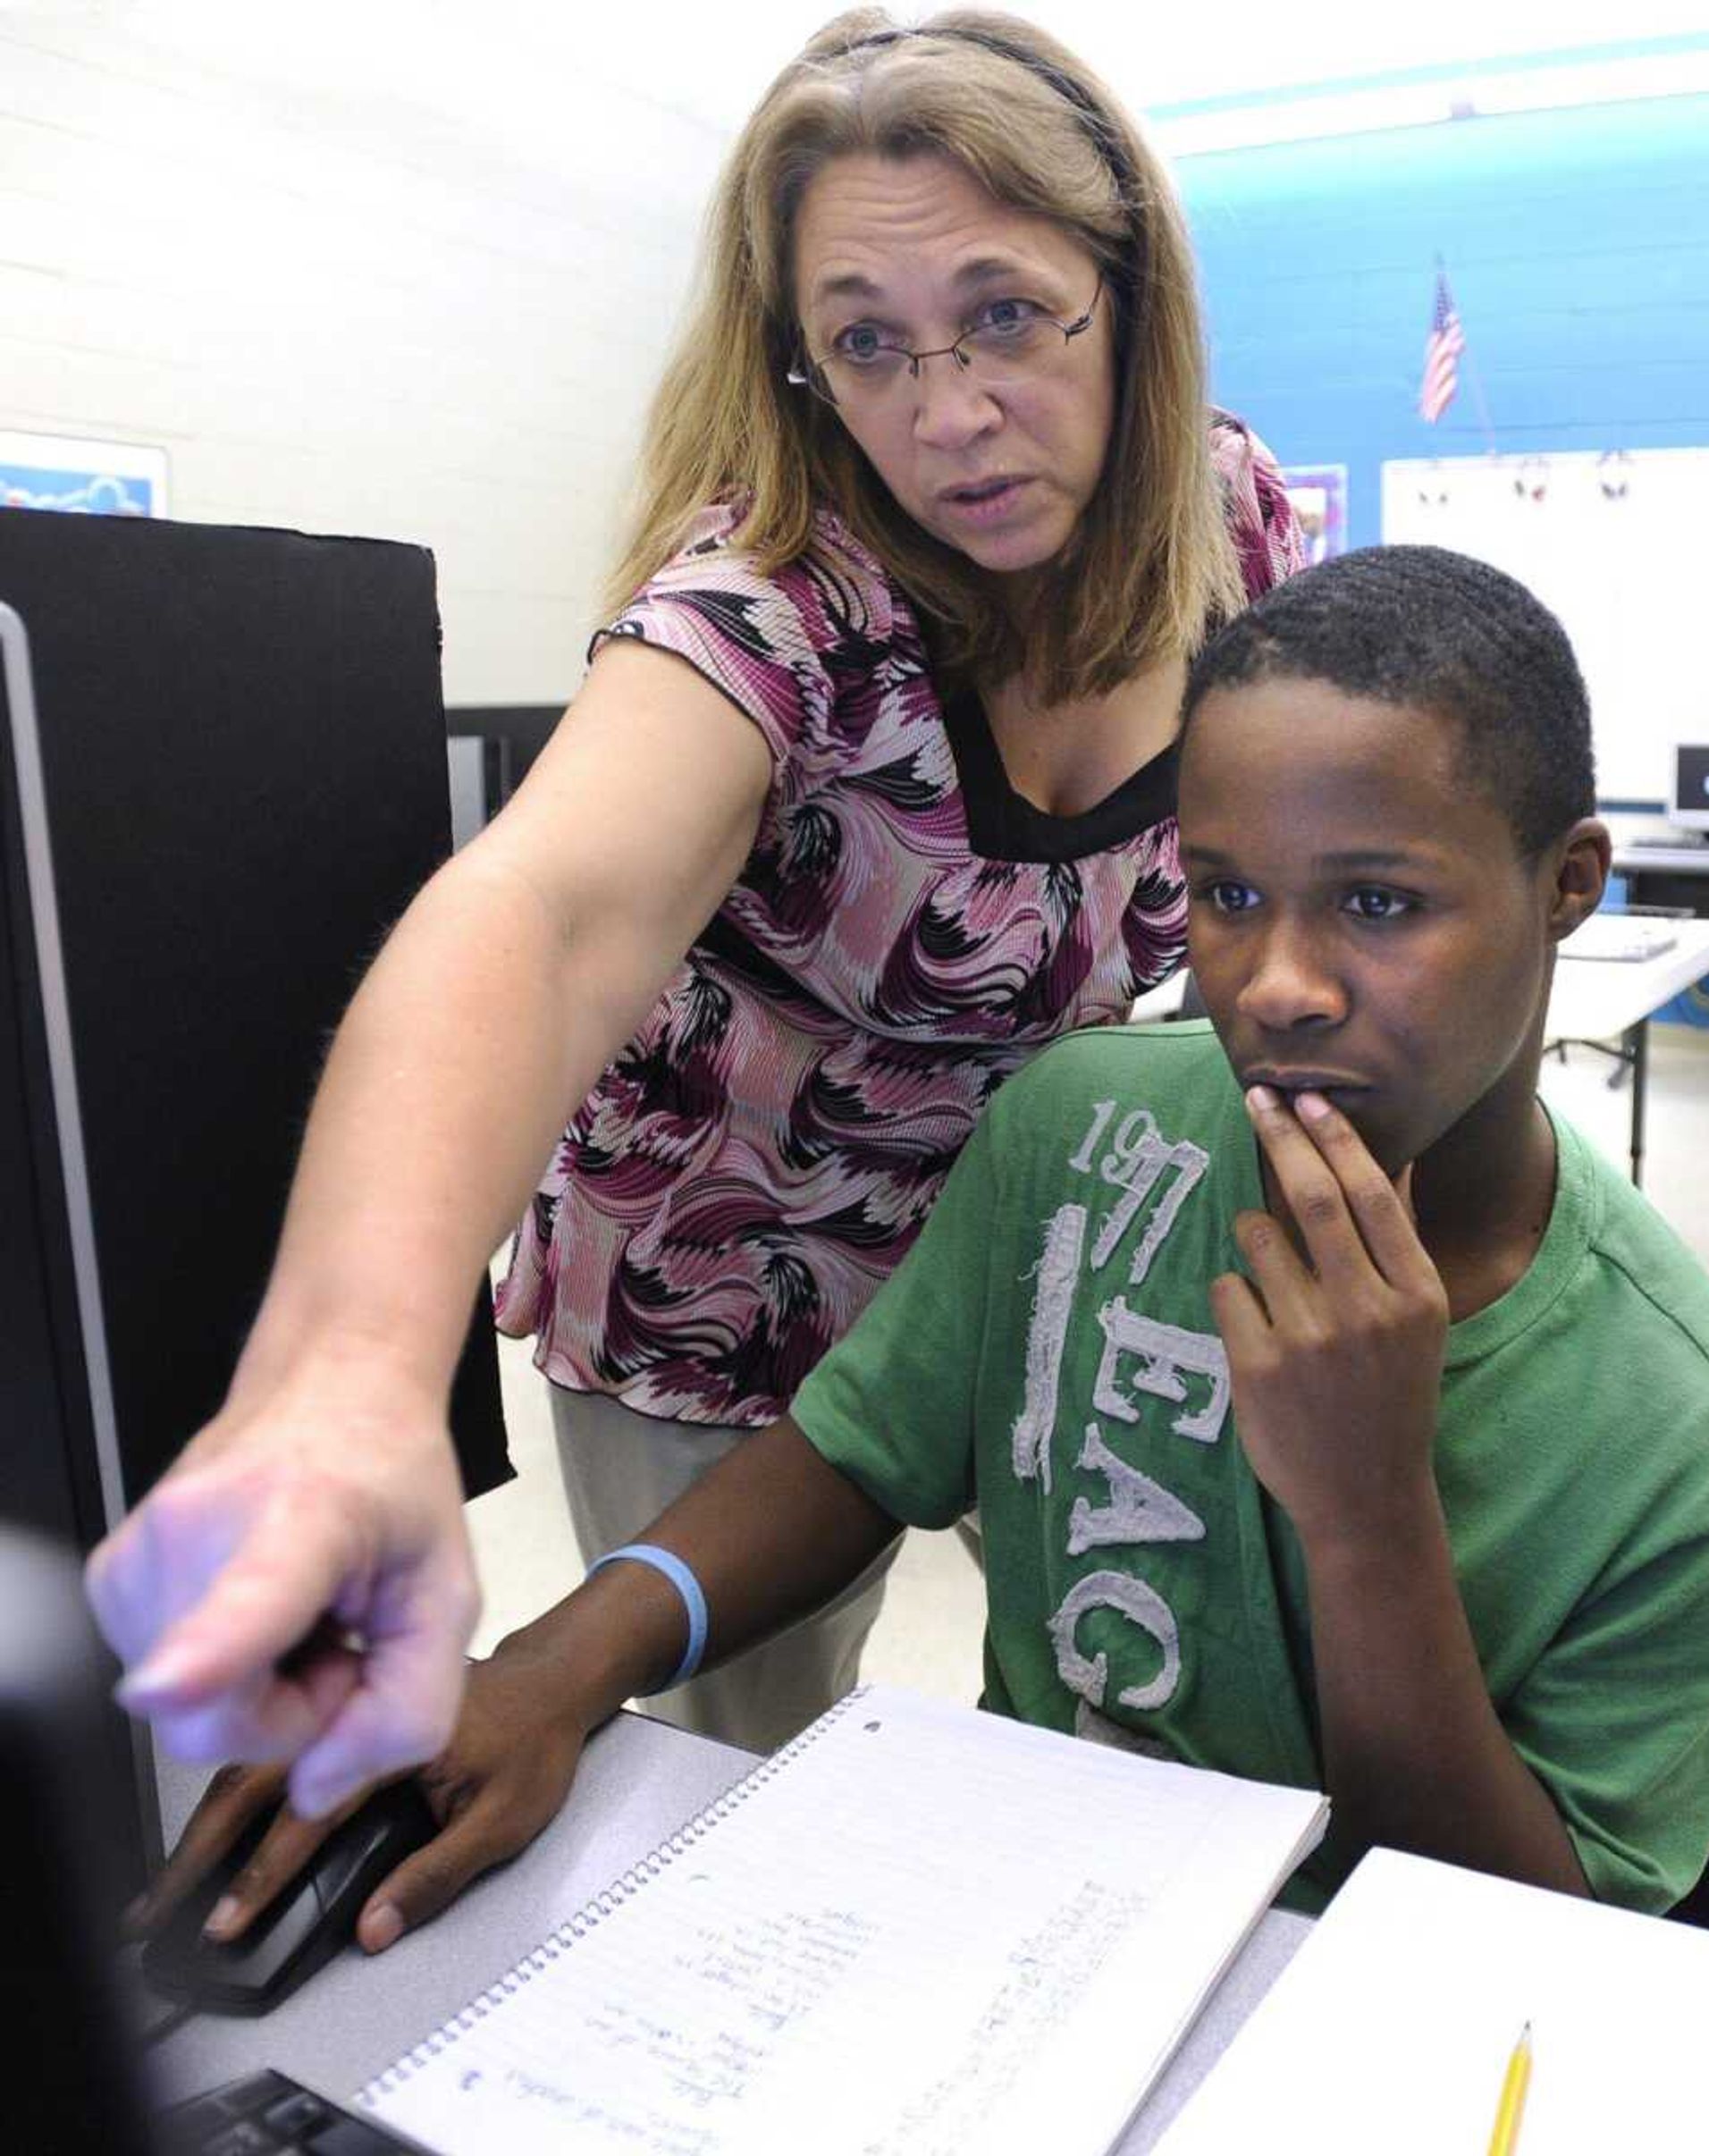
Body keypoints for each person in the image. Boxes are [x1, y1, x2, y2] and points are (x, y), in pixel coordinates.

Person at [137, 544, 1709, 1957]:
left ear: (1567, 884)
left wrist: (1369, 1519)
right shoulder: (1082, 1125)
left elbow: (1520, 1950)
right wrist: (556, 1668)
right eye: (1223, 895)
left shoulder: (1690, 1438)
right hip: (1011, 1940)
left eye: (1378, 904)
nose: (1277, 985)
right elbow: (863, 1449)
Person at [86, 5, 1301, 1814]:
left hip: (1012, 1251)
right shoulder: (776, 606)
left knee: (1137, 1686)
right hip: (716, 1289)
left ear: (1128, 289)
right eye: (864, 347)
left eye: (1005, 314)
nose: (947, 414)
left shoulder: (1225, 530)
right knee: (752, 1772)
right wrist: (348, 1367)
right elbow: (545, 915)